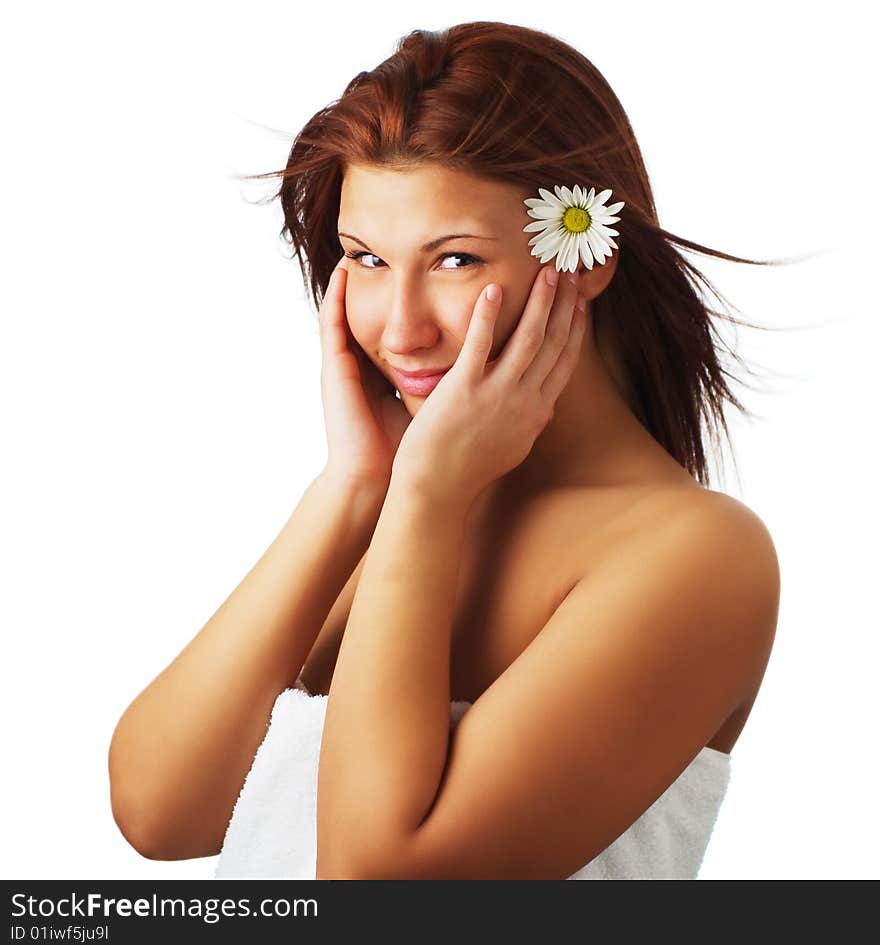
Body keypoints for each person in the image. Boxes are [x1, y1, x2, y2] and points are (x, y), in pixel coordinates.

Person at [108, 21, 781, 879]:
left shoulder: (695, 557)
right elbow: (162, 815)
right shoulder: (389, 514)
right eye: (367, 259)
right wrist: (352, 489)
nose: (401, 327)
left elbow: (377, 886)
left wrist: (424, 497)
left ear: (582, 255)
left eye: (455, 259)